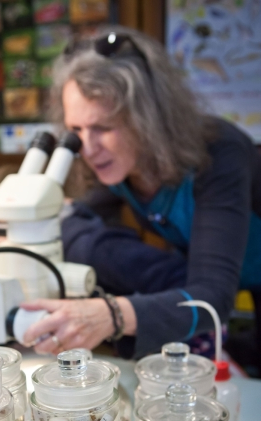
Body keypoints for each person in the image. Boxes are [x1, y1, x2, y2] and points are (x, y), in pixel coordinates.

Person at [20, 26, 261, 359]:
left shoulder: (220, 152)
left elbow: (212, 299)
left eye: (103, 128)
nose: (87, 149)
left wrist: (111, 315)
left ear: (149, 119)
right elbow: (74, 217)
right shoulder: (122, 165)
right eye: (76, 130)